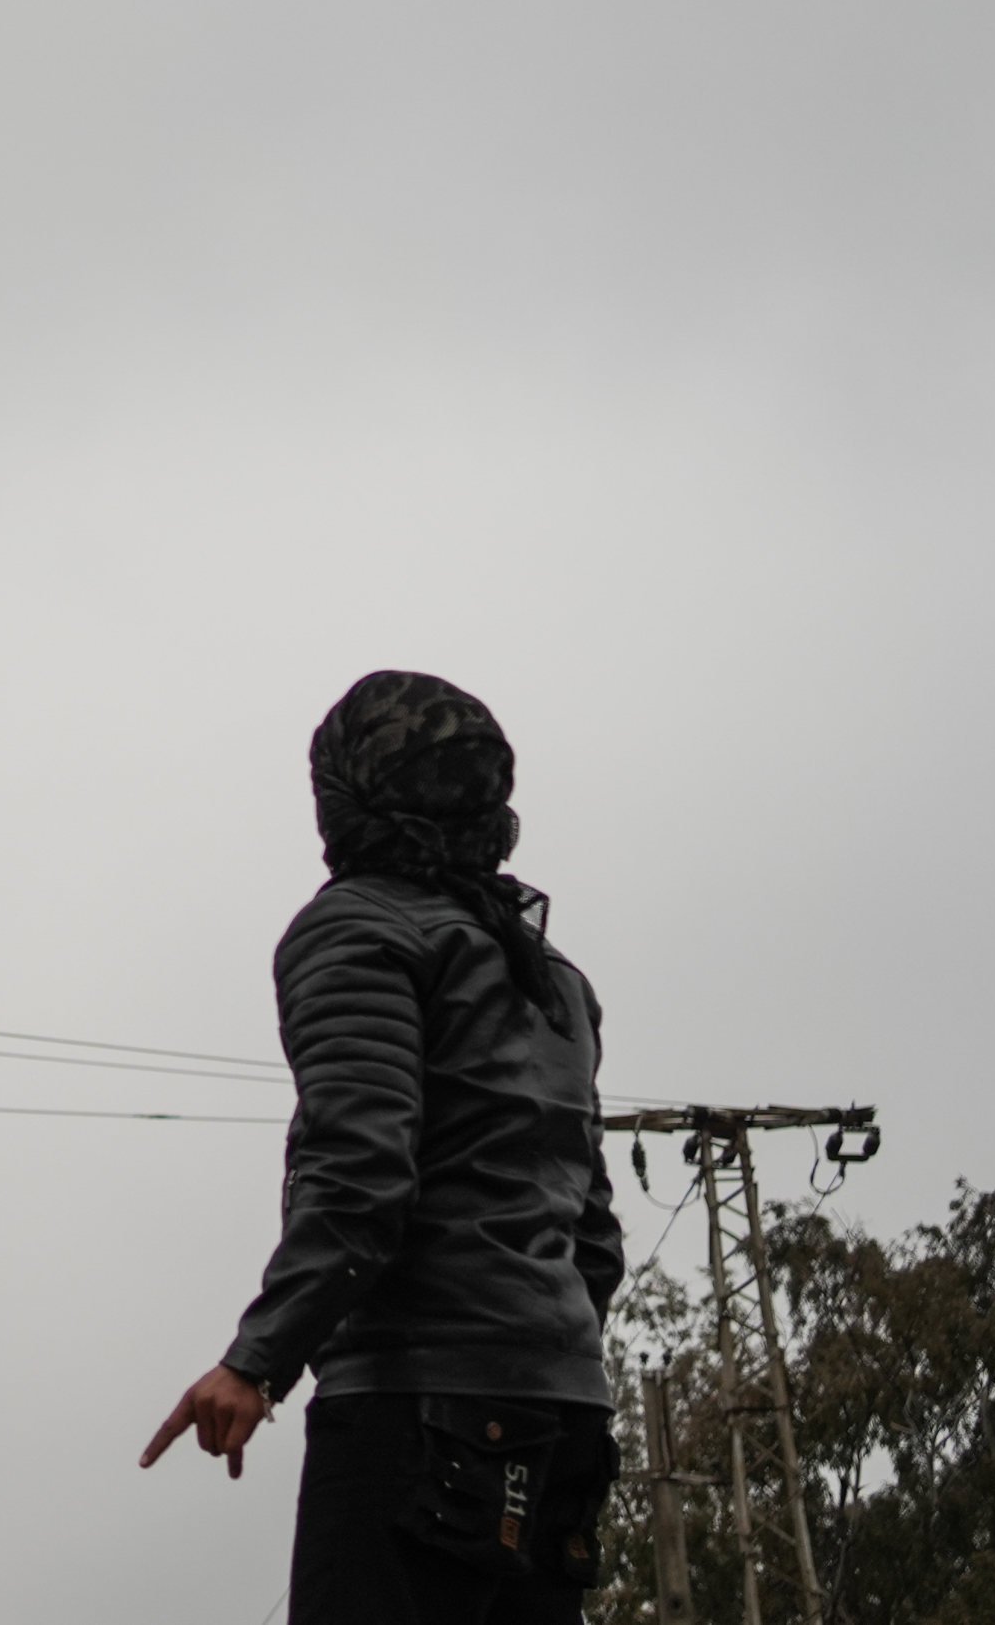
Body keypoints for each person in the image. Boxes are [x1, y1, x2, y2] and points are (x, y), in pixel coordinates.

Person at [140, 673, 629, 1624]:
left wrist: (255, 1363)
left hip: (418, 1410)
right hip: (566, 1417)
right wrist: (535, 1353)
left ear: (348, 791)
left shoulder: (356, 930)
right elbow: (593, 1235)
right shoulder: (551, 975)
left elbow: (362, 1173)